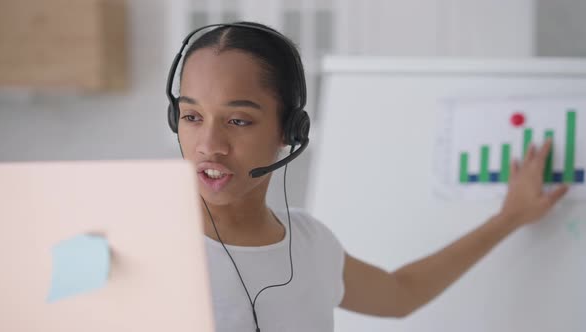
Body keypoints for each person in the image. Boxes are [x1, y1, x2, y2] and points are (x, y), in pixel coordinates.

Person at [166, 21, 568, 332]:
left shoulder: (309, 244)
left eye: (238, 120)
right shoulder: (145, 243)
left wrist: (510, 217)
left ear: (290, 131)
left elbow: (401, 294)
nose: (209, 144)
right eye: (191, 116)